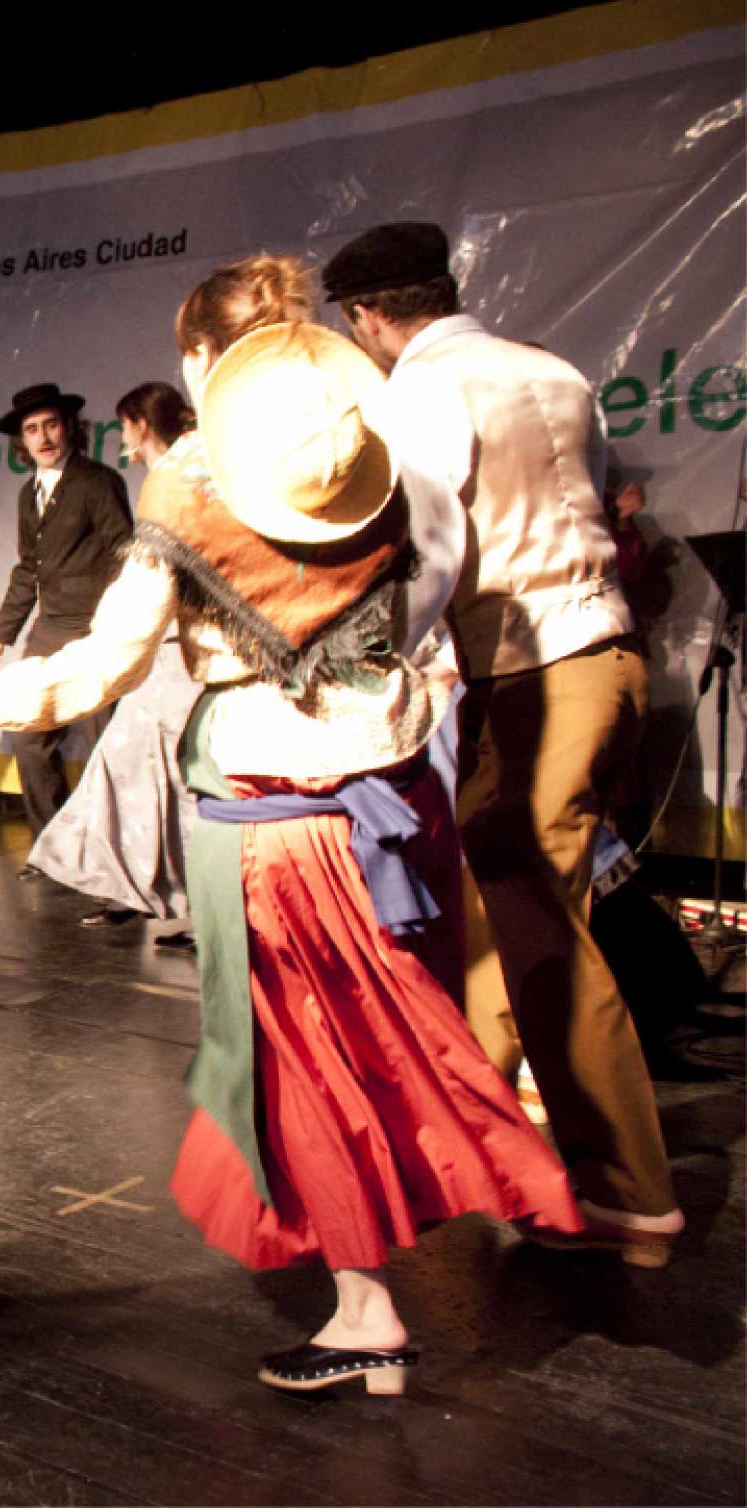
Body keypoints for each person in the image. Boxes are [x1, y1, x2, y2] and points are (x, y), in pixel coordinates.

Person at [0, 256, 579, 1396]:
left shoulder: (193, 488)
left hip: (275, 821)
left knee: (298, 1067)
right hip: (392, 793)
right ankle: (382, 1284)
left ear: (203, 363)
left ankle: (367, 1310)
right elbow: (430, 601)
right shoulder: (386, 464)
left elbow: (99, 666)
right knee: (384, 1047)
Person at [326, 221, 683, 1267]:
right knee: (496, 891)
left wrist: (368, 663)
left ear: (368, 318)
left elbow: (427, 552)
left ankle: (630, 1185)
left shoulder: (421, 393)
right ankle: (471, 1129)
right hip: (603, 657)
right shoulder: (554, 369)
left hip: (539, 670)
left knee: (533, 915)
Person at [26, 382, 200, 941]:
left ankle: (175, 897)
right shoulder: (163, 481)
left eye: (125, 425)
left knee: (155, 772)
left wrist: (121, 630)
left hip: (164, 646)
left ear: (141, 426)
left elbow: (141, 564)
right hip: (140, 639)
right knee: (129, 772)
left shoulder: (168, 484)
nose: (120, 435)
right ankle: (129, 886)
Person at [0, 382, 133, 861]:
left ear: (69, 428)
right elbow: (30, 568)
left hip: (94, 633)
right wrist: (0, 635)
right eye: (31, 430)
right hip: (48, 633)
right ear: (21, 442)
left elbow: (122, 554)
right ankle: (53, 850)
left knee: (104, 746)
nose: (43, 437)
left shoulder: (97, 481)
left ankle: (115, 861)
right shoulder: (29, 494)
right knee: (29, 738)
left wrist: (112, 626)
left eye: (50, 425)